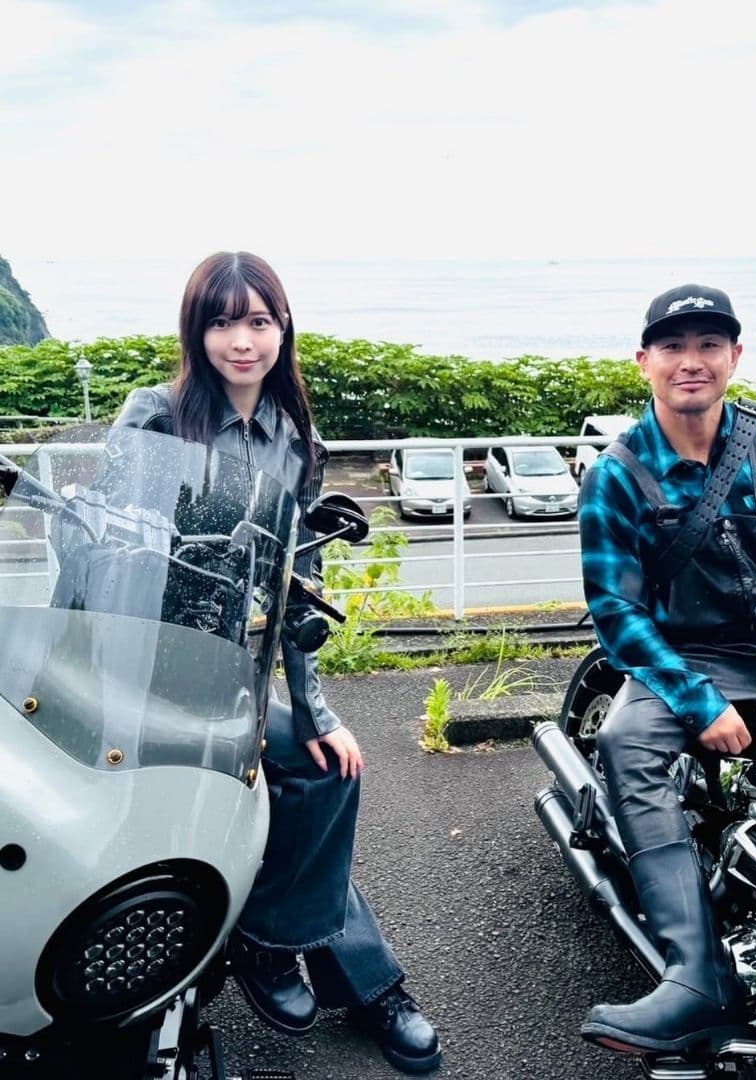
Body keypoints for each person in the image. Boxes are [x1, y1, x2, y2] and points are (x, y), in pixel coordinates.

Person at [114, 251, 442, 1075]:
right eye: (222, 322)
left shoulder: (296, 442)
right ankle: (373, 987)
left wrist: (315, 709)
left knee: (324, 771)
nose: (241, 341)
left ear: (282, 327)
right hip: (143, 665)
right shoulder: (153, 416)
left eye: (258, 321)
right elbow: (101, 547)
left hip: (234, 674)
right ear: (196, 331)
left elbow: (302, 591)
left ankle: (268, 938)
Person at [577, 283, 756, 1057]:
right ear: (643, 362)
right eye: (672, 346)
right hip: (689, 653)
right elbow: (617, 614)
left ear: (734, 356)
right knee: (627, 744)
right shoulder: (616, 474)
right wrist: (696, 700)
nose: (691, 361)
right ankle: (695, 979)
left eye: (708, 345)